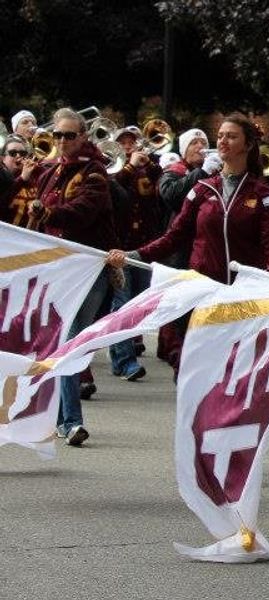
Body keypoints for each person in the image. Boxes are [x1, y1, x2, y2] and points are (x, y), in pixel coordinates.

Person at [107, 115, 269, 369]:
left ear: (248, 144)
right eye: (220, 136)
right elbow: (174, 237)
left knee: (230, 373)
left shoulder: (262, 194)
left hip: (240, 298)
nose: (222, 141)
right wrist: (133, 255)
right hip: (202, 294)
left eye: (231, 136)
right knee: (194, 374)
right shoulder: (202, 189)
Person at [29, 108, 121, 447]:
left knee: (70, 337)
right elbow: (37, 218)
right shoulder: (49, 172)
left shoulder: (94, 171)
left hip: (89, 266)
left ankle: (69, 420)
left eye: (70, 135)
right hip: (58, 267)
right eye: (58, 135)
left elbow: (85, 211)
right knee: (59, 339)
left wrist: (49, 212)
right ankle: (55, 415)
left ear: (83, 137)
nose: (63, 141)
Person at [154, 127, 219, 364]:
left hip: (206, 249)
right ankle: (174, 353)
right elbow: (171, 195)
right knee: (178, 305)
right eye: (194, 143)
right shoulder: (174, 170)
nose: (200, 146)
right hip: (179, 251)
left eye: (203, 142)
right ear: (184, 150)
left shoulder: (216, 171)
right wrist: (203, 172)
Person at [106, 126, 165, 382]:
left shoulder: (146, 169)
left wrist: (150, 165)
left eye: (132, 142)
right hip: (119, 246)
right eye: (123, 143)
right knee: (123, 305)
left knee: (138, 307)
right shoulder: (112, 169)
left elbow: (161, 195)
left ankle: (120, 359)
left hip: (143, 246)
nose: (129, 146)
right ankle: (125, 360)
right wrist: (129, 166)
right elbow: (115, 195)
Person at [1, 135, 43, 228]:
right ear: (3, 158)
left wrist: (39, 171)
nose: (18, 156)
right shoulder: (3, 178)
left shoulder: (34, 176)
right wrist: (22, 179)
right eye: (13, 153)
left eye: (23, 153)